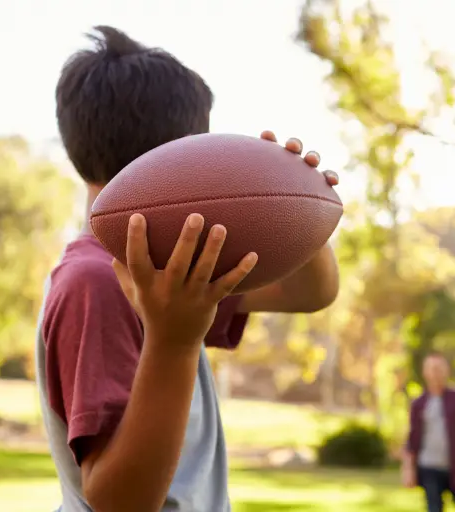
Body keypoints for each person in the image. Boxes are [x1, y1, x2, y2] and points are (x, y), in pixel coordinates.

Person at [33, 26, 340, 512]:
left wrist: (300, 205)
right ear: (178, 159)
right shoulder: (92, 282)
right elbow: (116, 502)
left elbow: (309, 294)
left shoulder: (176, 264)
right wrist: (173, 341)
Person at [402, 352, 455, 512]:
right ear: (425, 372)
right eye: (432, 369)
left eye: (439, 368)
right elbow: (412, 439)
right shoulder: (419, 404)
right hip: (429, 468)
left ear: (446, 371)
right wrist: (408, 469)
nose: (435, 373)